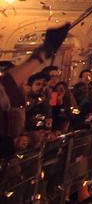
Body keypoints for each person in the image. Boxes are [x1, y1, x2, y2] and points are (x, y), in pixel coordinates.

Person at [0, 25, 69, 163]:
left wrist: (41, 134)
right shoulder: (23, 95)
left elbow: (7, 85)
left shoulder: (50, 94)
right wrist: (43, 53)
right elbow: (7, 85)